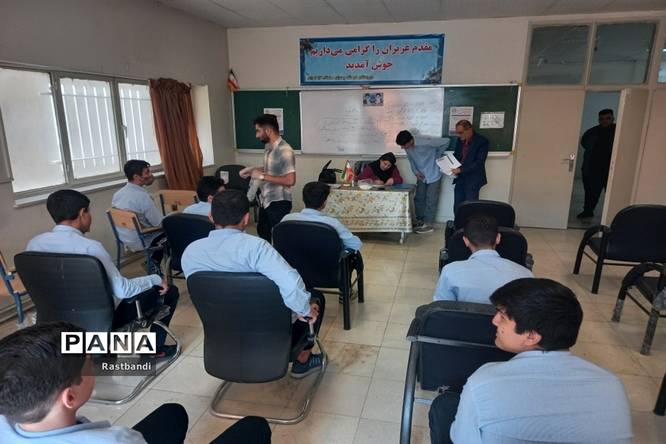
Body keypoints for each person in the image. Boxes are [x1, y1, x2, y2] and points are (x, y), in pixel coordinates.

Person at [428, 278, 633, 444]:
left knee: (445, 406)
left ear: (532, 336)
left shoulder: (484, 381)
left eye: (503, 317)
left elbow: (462, 439)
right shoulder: (612, 384)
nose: (494, 320)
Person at [0, 321, 272, 444]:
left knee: (172, 413)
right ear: (69, 397)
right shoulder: (117, 440)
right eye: (89, 363)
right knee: (254, 428)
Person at [181, 190, 324, 378]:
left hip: (222, 328)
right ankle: (302, 361)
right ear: (246, 218)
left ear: (210, 216)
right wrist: (304, 310)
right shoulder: (257, 248)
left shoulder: (191, 252)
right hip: (268, 329)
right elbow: (291, 284)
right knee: (314, 299)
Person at [26, 190, 179, 358]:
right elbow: (123, 290)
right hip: (98, 321)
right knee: (170, 291)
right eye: (89, 212)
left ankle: (99, 347)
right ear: (82, 213)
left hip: (55, 322)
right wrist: (155, 279)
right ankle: (152, 348)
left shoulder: (34, 244)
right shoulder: (90, 247)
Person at [433, 215, 532, 304]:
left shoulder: (450, 272)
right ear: (498, 238)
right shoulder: (525, 275)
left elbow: (441, 308)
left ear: (466, 241)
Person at [240, 114, 296, 243]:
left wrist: (262, 176)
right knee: (262, 231)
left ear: (268, 130)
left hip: (279, 201)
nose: (256, 135)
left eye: (258, 131)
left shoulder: (285, 150)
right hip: (266, 200)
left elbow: (290, 180)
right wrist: (252, 170)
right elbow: (271, 169)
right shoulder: (268, 147)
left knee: (280, 238)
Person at [111, 160, 165, 268]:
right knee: (172, 230)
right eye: (147, 172)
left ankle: (153, 261)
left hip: (124, 238)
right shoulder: (143, 197)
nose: (151, 175)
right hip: (141, 239)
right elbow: (158, 223)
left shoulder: (118, 194)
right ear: (136, 177)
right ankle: (154, 262)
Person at [282, 181, 362, 252]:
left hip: (292, 262)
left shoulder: (287, 219)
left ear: (303, 199)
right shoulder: (332, 223)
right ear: (324, 202)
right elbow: (356, 245)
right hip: (326, 263)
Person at [396, 130, 450, 234]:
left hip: (433, 173)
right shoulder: (407, 147)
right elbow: (411, 160)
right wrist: (416, 172)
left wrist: (438, 154)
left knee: (431, 199)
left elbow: (447, 141)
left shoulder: (426, 141)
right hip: (421, 175)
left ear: (410, 141)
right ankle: (420, 221)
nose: (402, 148)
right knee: (419, 197)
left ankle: (429, 224)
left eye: (403, 145)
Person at [578, 109, 616, 219]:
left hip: (612, 169)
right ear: (599, 120)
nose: (605, 121)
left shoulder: (618, 131)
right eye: (602, 119)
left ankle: (614, 215)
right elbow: (584, 143)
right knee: (591, 192)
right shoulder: (591, 132)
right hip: (593, 168)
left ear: (613, 118)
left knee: (613, 194)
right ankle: (588, 211)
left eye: (608, 118)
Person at [451, 120, 489, 213]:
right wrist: (449, 164)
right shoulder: (460, 141)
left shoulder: (482, 141)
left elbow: (479, 162)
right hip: (460, 177)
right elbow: (457, 155)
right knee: (458, 204)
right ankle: (458, 222)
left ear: (469, 130)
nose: (459, 135)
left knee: (471, 205)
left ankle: (470, 222)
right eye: (457, 133)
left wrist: (460, 170)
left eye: (460, 132)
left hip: (473, 178)